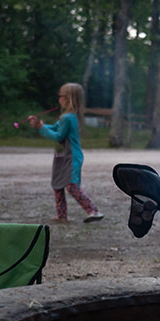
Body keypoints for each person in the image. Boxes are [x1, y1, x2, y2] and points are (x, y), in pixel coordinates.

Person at [29, 83, 104, 223]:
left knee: (71, 185)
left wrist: (41, 128)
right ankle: (61, 215)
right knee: (58, 184)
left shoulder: (68, 118)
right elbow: (55, 128)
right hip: (63, 156)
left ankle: (93, 211)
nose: (58, 98)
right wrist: (40, 126)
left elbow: (58, 136)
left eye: (60, 96)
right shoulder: (68, 116)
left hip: (71, 157)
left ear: (68, 98)